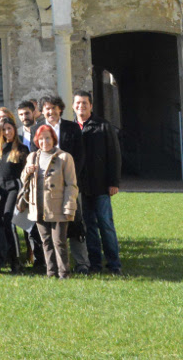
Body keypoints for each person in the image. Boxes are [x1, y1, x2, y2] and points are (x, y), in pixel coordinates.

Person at [19, 124, 78, 279]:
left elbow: (71, 185)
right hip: (38, 207)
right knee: (46, 242)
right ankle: (51, 273)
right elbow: (23, 180)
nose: (45, 142)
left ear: (53, 139)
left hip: (57, 206)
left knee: (59, 242)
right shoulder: (32, 157)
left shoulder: (64, 157)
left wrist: (69, 206)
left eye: (48, 138)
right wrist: (27, 171)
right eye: (41, 139)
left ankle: (64, 274)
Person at [74, 91, 122, 275]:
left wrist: (114, 181)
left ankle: (114, 264)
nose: (81, 106)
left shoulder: (103, 126)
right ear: (73, 106)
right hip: (82, 187)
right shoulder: (72, 128)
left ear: (91, 105)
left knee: (105, 224)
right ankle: (95, 263)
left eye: (84, 103)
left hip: (102, 185)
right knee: (89, 226)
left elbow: (114, 155)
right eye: (78, 103)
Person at [40, 94, 88, 274]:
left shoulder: (72, 128)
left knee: (75, 223)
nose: (50, 111)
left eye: (53, 108)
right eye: (47, 108)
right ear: (42, 111)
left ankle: (82, 262)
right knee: (49, 228)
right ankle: (51, 266)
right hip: (46, 189)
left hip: (69, 185)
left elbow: (80, 156)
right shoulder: (39, 129)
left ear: (60, 109)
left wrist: (71, 180)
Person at [0, 117, 28, 272]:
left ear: (14, 128)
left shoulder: (21, 149)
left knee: (9, 220)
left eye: (9, 128)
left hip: (14, 187)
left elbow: (25, 173)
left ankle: (16, 259)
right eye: (4, 129)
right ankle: (2, 257)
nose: (7, 132)